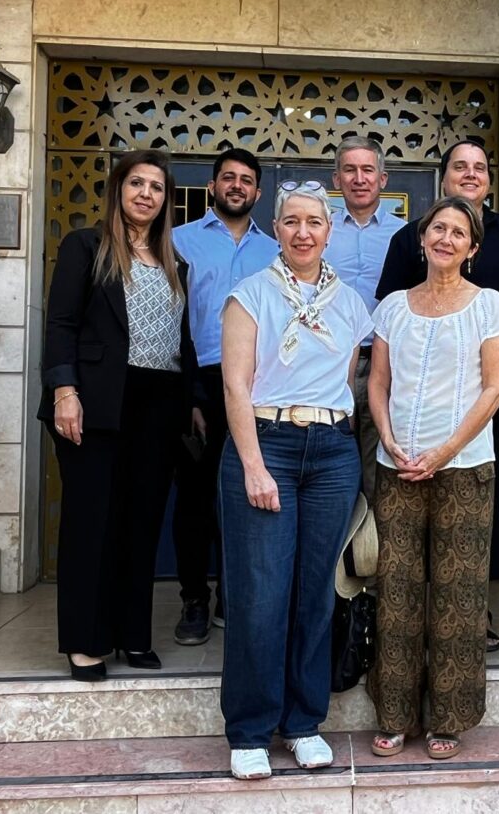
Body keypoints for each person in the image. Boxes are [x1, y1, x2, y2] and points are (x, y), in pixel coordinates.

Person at [219, 180, 373, 780]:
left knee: (316, 594)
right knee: (261, 597)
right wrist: (254, 465)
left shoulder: (351, 303)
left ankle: (305, 722)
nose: (303, 231)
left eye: (314, 221)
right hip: (269, 446)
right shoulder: (249, 294)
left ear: (329, 231)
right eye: (291, 222)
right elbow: (235, 385)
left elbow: (355, 378)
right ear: (276, 230)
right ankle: (251, 729)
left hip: (331, 453)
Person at [376, 140, 499, 652]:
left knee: (484, 507)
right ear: (443, 179)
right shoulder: (410, 239)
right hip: (417, 405)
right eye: (459, 167)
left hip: (489, 394)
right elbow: (392, 312)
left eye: (479, 168)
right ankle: (420, 615)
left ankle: (475, 610)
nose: (470, 174)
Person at [368, 196, 499, 760]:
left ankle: (449, 718)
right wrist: (387, 437)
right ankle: (394, 714)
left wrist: (444, 450)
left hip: (465, 467)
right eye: (438, 229)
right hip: (397, 466)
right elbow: (376, 383)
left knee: (457, 594)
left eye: (459, 232)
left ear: (472, 248)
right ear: (422, 240)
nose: (446, 238)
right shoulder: (393, 308)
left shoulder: (491, 306)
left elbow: (495, 387)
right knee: (397, 591)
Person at [39, 149, 195, 681]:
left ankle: (133, 635)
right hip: (96, 400)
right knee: (92, 523)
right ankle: (86, 640)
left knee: (142, 523)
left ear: (166, 200)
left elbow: (183, 341)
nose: (146, 194)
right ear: (118, 189)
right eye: (137, 183)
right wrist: (65, 391)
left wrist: (192, 403)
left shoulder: (179, 265)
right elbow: (60, 323)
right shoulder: (86, 247)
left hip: (159, 403)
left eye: (156, 187)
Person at [170, 149, 278, 646]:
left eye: (247, 180)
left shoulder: (274, 252)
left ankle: (233, 595)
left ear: (258, 192)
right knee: (195, 497)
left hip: (258, 388)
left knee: (244, 495)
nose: (237, 186)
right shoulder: (179, 242)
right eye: (229, 178)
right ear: (213, 186)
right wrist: (190, 391)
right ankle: (194, 598)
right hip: (200, 383)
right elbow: (172, 322)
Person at [326, 136, 406, 502]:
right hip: (329, 361)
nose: (359, 178)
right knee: (333, 461)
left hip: (386, 362)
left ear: (383, 179)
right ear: (336, 178)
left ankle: (376, 553)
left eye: (367, 170)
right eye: (350, 170)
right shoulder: (318, 230)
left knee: (381, 466)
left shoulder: (406, 235)